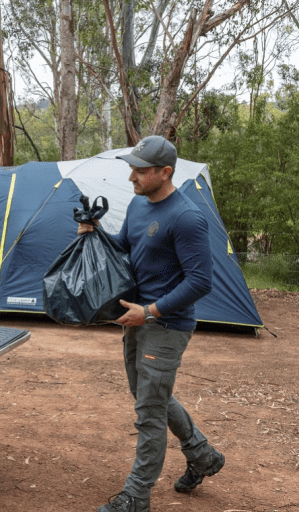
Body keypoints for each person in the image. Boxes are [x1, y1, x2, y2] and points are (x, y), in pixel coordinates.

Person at [78, 135, 225, 512]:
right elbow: (124, 246)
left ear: (165, 172)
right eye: (133, 168)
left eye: (141, 170)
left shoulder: (187, 217)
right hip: (136, 319)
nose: (133, 176)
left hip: (167, 324)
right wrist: (95, 234)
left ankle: (136, 496)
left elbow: (200, 281)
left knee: (149, 411)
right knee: (149, 398)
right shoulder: (138, 206)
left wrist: (151, 311)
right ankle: (202, 454)